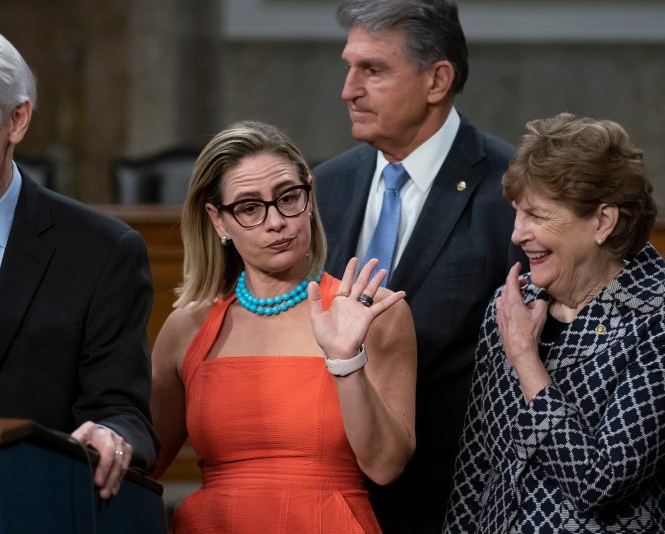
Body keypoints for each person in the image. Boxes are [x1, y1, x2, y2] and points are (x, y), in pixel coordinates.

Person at [0, 21, 158, 499]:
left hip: (22, 506)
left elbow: (122, 411)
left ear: (17, 120)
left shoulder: (99, 254)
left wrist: (111, 437)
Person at [314, 1, 526, 531]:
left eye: (373, 70)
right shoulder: (327, 184)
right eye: (349, 66)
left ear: (437, 80)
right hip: (334, 496)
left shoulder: (512, 190)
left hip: (458, 502)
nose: (348, 90)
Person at [149, 120, 417, 532]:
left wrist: (346, 360)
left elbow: (385, 466)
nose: (276, 222)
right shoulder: (186, 327)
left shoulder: (373, 312)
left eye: (288, 198)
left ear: (309, 196)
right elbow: (139, 468)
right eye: (250, 208)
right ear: (218, 220)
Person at [444, 113, 665, 532]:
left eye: (537, 216)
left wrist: (527, 361)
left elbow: (599, 480)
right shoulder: (511, 304)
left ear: (602, 221)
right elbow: (476, 470)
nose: (516, 234)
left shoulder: (656, 317)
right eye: (516, 214)